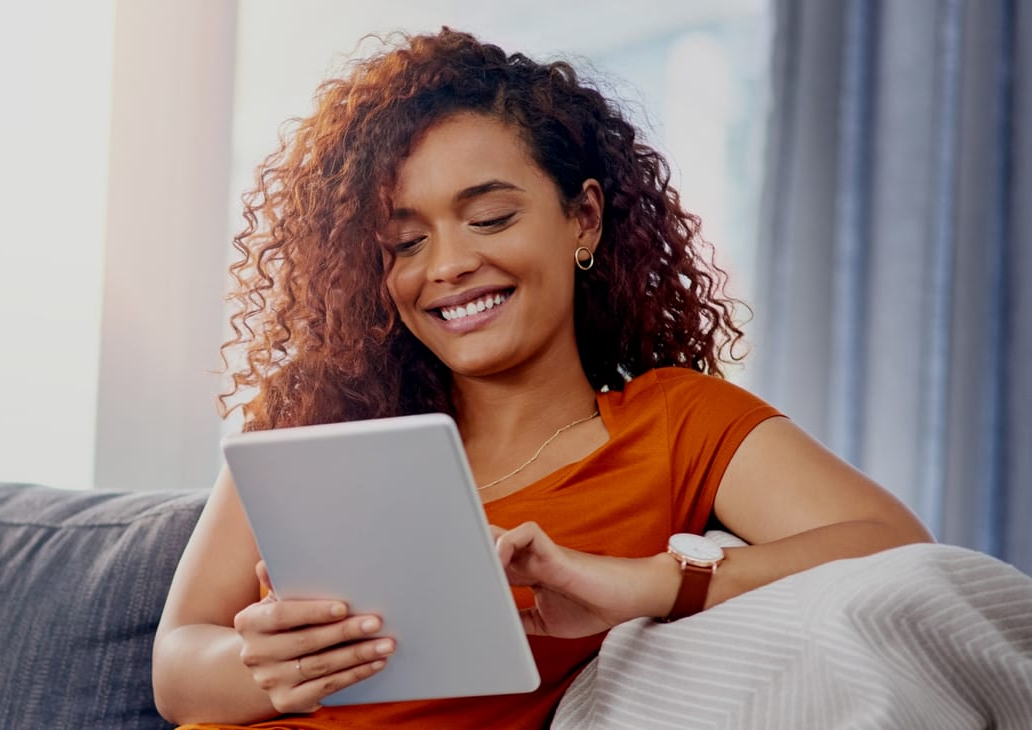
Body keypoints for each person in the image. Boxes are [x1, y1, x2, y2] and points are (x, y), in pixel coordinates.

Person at [151, 28, 931, 729]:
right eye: (405, 242)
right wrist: (272, 668)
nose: (449, 266)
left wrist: (644, 584)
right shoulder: (317, 418)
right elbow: (178, 667)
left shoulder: (674, 423)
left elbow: (890, 545)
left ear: (582, 219)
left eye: (489, 219)